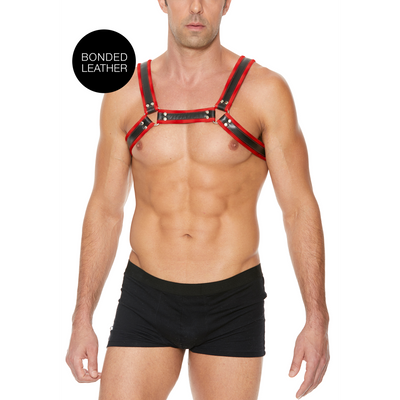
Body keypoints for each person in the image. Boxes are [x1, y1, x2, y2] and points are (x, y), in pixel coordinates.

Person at [66, 1, 330, 399]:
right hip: (146, 298)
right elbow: (105, 210)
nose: (195, 7)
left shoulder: (265, 91)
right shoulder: (125, 93)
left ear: (226, 3)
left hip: (231, 302)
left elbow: (298, 208)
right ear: (162, 1)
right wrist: (81, 317)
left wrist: (317, 319)